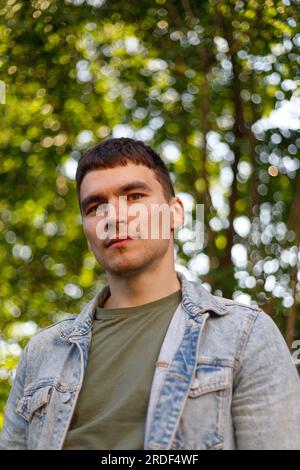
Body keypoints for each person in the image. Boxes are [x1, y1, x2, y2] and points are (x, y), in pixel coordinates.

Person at [1, 137, 300, 450]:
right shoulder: (42, 353)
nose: (114, 217)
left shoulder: (244, 335)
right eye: (95, 207)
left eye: (133, 196)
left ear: (175, 213)